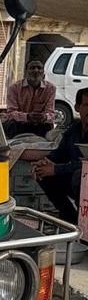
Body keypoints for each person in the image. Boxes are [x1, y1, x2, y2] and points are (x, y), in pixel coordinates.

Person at [32, 87, 88, 224]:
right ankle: (70, 218)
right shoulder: (74, 129)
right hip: (74, 175)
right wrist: (44, 162)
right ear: (78, 107)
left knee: (79, 176)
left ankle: (84, 221)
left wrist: (56, 169)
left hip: (83, 178)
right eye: (87, 105)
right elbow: (60, 152)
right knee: (42, 173)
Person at [2, 59, 56, 139]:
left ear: (43, 72)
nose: (36, 71)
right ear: (26, 71)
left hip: (38, 124)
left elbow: (50, 113)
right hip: (19, 123)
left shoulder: (50, 88)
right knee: (10, 124)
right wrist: (27, 117)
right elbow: (11, 113)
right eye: (32, 68)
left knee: (48, 126)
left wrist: (44, 117)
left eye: (39, 68)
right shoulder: (14, 87)